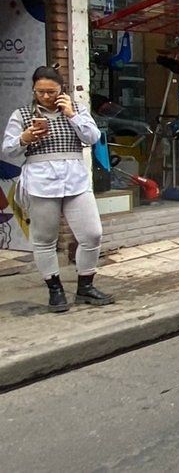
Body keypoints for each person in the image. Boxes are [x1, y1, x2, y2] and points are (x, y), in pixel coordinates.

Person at [2, 66, 111, 313]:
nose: (46, 96)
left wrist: (72, 114)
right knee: (44, 240)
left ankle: (85, 286)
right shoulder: (22, 115)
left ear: (62, 90)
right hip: (41, 182)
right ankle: (55, 289)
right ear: (33, 90)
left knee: (92, 234)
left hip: (76, 180)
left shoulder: (77, 110)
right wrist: (25, 138)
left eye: (51, 91)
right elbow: (7, 150)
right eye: (40, 91)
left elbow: (93, 137)